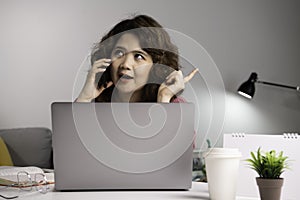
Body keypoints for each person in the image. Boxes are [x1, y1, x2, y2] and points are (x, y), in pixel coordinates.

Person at [76, 14, 198, 103]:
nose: (125, 64)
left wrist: (163, 100)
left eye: (138, 56)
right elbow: (66, 138)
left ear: (156, 65)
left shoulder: (175, 106)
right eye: (119, 53)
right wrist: (84, 98)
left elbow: (173, 139)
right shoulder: (91, 105)